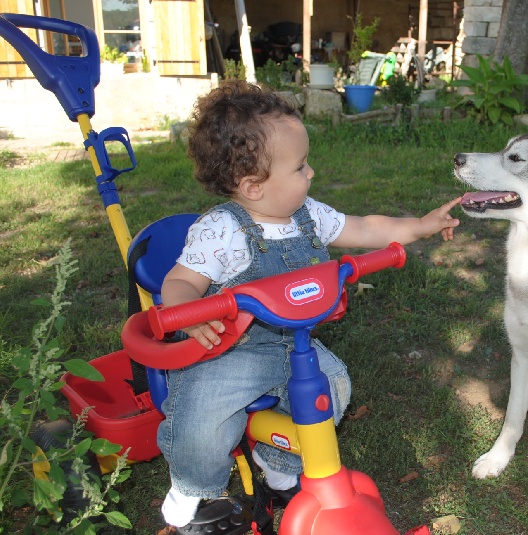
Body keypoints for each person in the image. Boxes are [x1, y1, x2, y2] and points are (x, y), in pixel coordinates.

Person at [157, 80, 461, 530]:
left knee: (332, 387)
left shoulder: (308, 215)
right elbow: (180, 281)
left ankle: (279, 462)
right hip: (230, 350)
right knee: (202, 417)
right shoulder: (223, 230)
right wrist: (191, 314)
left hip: (294, 345)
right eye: (300, 167)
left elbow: (363, 228)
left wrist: (418, 225)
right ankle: (191, 486)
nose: (311, 173)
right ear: (253, 186)